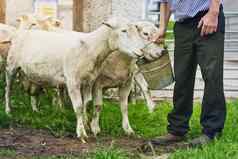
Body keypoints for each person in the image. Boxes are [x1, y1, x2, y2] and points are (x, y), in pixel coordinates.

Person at [151, 0, 226, 147]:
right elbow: (165, 1)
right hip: (182, 24)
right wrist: (162, 28)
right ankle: (177, 130)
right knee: (182, 77)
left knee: (212, 76)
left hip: (207, 18)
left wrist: (213, 12)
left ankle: (211, 131)